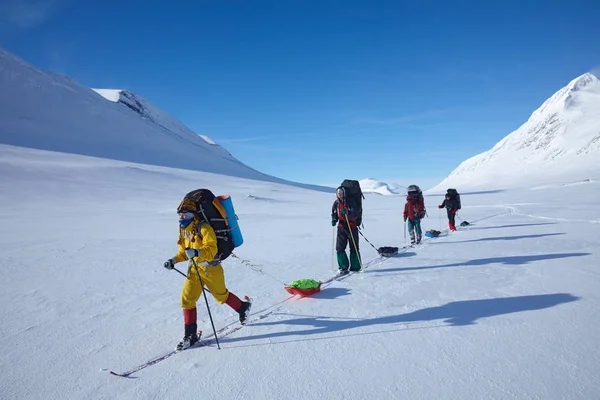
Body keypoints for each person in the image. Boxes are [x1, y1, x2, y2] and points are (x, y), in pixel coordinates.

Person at [163, 198, 251, 350]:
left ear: (193, 215)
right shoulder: (184, 230)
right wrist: (174, 260)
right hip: (194, 270)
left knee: (221, 296)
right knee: (187, 300)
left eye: (185, 214)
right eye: (180, 215)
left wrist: (197, 251)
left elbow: (212, 250)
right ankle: (190, 335)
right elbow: (185, 253)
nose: (181, 218)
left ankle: (243, 308)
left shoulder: (204, 229)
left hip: (212, 269)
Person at [331, 187, 362, 273]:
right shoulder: (336, 203)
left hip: (351, 227)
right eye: (338, 192)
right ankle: (343, 267)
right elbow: (334, 213)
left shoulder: (351, 202)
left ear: (344, 193)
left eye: (341, 192)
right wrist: (334, 220)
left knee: (354, 247)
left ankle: (356, 267)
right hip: (341, 227)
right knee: (339, 248)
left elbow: (355, 213)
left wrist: (348, 212)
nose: (339, 194)